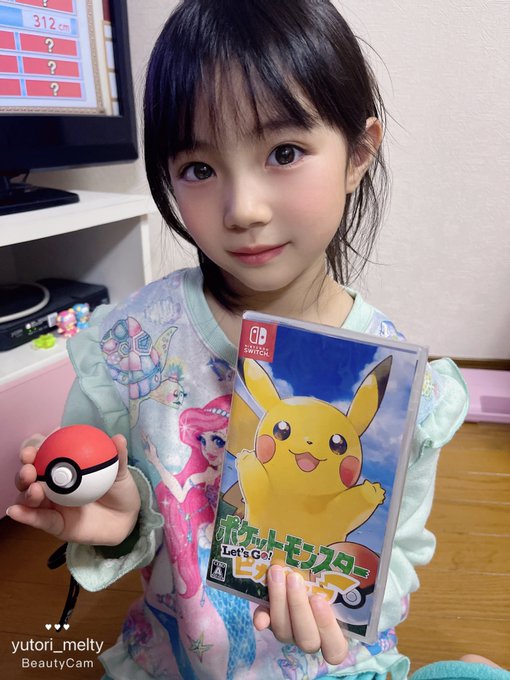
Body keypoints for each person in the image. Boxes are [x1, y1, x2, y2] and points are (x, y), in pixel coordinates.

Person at [9, 1, 503, 678]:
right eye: (199, 168)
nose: (243, 209)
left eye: (284, 153)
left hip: (328, 663)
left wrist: (342, 608)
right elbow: (119, 508)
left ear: (358, 154)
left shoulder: (398, 390)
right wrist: (119, 524)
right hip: (177, 659)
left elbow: (398, 554)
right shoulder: (135, 346)